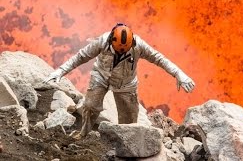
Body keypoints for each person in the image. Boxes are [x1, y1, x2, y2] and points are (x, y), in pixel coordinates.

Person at [45, 23, 195, 139]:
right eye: (118, 49)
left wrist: (179, 74)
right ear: (111, 40)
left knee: (129, 121)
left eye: (125, 49)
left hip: (126, 84)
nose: (121, 51)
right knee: (90, 106)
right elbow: (81, 56)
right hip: (101, 76)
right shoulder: (102, 42)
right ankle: (83, 134)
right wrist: (60, 71)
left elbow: (159, 58)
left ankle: (125, 144)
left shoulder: (139, 45)